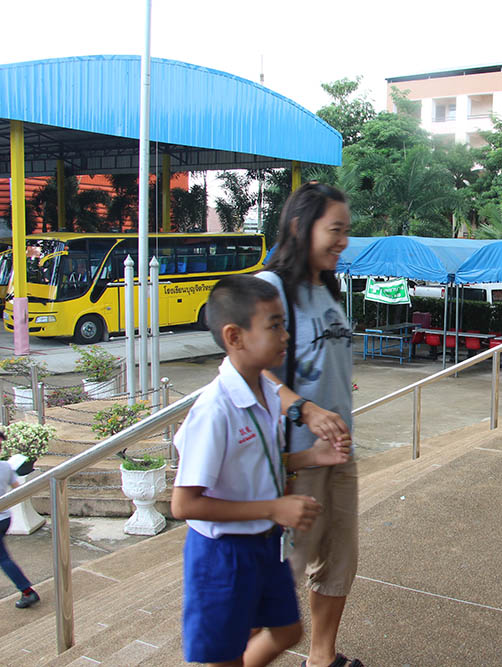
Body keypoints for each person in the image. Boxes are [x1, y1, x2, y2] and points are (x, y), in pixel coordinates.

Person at [171, 275, 350, 667]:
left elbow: (256, 462)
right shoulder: (214, 410)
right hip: (223, 554)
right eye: (274, 326)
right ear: (234, 337)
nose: (286, 336)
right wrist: (274, 508)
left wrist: (311, 456)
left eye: (284, 324)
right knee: (226, 656)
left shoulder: (267, 393)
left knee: (288, 631)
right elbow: (183, 505)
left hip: (263, 543)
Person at [257, 182, 363, 667]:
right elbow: (245, 366)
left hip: (339, 451)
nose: (343, 241)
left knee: (339, 560)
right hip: (297, 458)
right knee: (283, 570)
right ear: (301, 227)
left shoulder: (328, 287)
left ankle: (322, 658)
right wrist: (304, 408)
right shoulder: (273, 287)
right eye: (335, 230)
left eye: (346, 230)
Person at [0, 433, 40, 610]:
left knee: (3, 559)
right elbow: (18, 490)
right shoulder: (5, 467)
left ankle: (27, 591)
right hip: (5, 518)